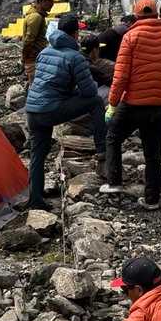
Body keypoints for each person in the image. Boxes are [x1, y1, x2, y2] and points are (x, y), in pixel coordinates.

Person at [103, 5, 161, 207]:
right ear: (157, 14)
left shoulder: (130, 37)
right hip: (158, 105)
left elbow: (121, 76)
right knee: (153, 152)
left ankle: (114, 184)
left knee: (113, 138)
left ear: (136, 15)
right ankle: (152, 199)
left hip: (132, 103)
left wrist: (112, 103)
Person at [24, 13, 106, 208]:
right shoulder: (75, 57)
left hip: (32, 109)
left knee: (38, 153)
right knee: (96, 102)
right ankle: (102, 148)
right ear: (76, 34)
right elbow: (89, 92)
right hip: (51, 109)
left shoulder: (44, 51)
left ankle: (36, 198)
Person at [22, 0, 56, 81]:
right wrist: (25, 60)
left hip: (35, 58)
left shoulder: (38, 15)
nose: (52, 4)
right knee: (36, 84)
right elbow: (28, 41)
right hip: (34, 59)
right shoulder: (36, 17)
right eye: (50, 1)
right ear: (41, 1)